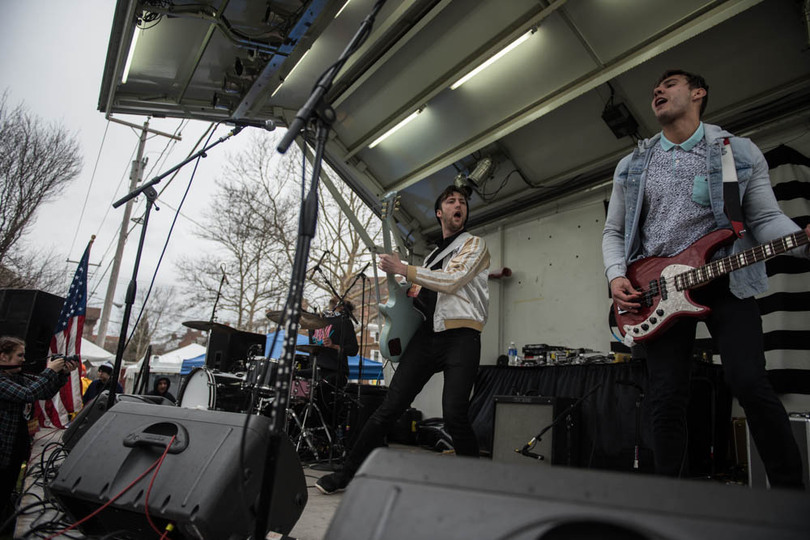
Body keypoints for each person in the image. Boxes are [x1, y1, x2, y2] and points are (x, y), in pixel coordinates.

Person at [602, 69, 810, 487]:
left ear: (698, 93)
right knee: (666, 396)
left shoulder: (738, 152)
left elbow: (765, 217)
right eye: (655, 88)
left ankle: (792, 495)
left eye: (670, 84)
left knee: (749, 382)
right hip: (657, 287)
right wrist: (615, 275)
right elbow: (615, 231)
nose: (657, 90)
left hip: (725, 278)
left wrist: (802, 242)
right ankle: (671, 499)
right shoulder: (633, 163)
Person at [316, 185, 490, 494]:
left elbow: (453, 281)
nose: (457, 204)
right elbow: (420, 295)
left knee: (454, 415)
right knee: (388, 407)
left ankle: (475, 485)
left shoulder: (474, 244)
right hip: (429, 335)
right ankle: (344, 474)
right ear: (440, 213)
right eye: (450, 201)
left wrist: (405, 269)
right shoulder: (435, 254)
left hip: (462, 335)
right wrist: (402, 283)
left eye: (462, 201)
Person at [0, 336, 79, 521]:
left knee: (7, 488)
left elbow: (43, 391)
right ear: (3, 357)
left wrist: (62, 374)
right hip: (3, 448)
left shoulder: (16, 377)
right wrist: (50, 370)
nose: (24, 359)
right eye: (19, 355)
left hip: (15, 448)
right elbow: (29, 394)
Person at [310, 298, 359, 426]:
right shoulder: (314, 321)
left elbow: (353, 350)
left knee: (325, 401)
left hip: (335, 371)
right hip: (316, 369)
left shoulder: (345, 323)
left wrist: (334, 346)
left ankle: (325, 432)